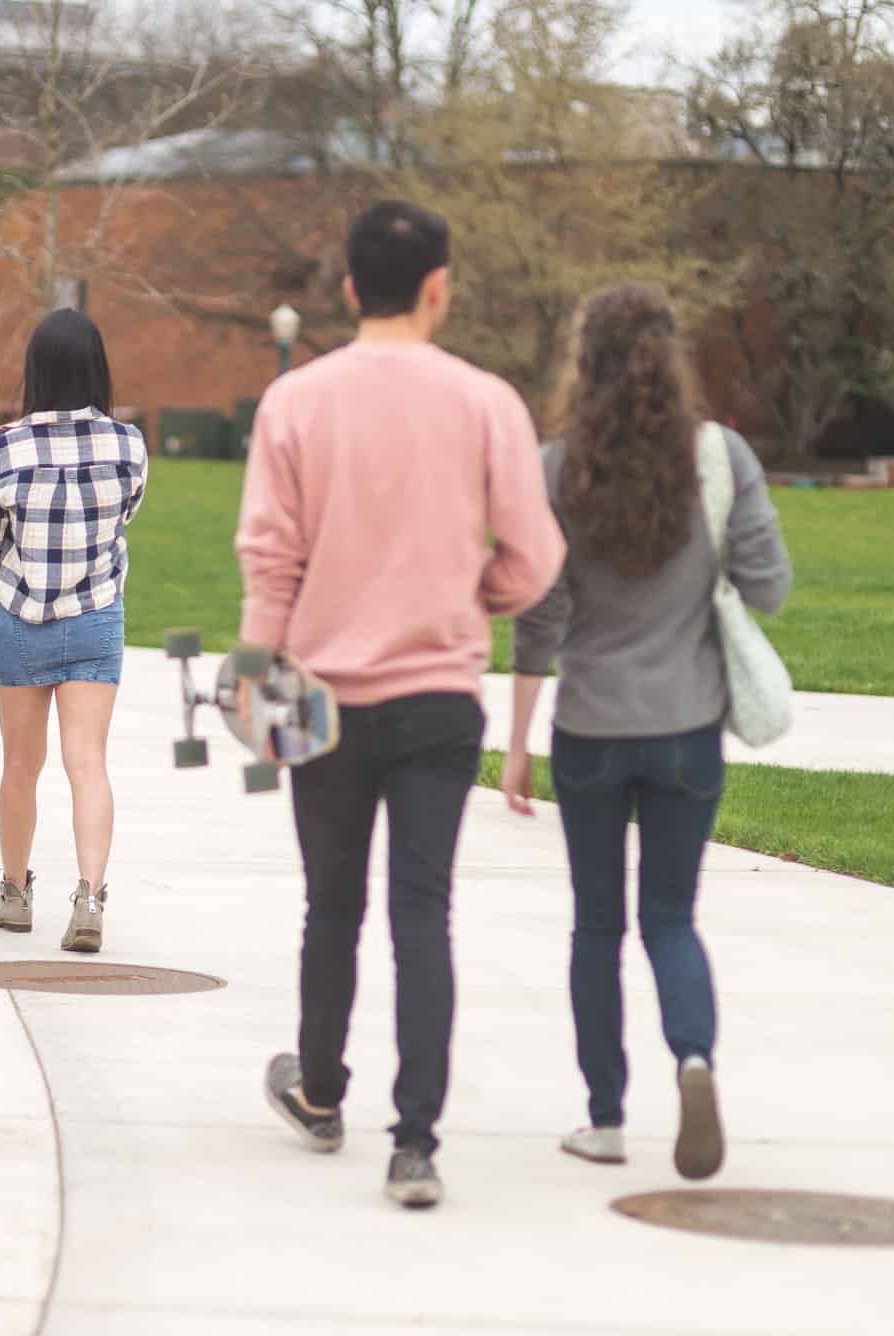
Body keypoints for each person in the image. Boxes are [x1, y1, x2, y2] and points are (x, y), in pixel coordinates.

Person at [237, 200, 565, 1209]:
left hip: (321, 693)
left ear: (344, 289)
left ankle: (322, 1092)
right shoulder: (485, 404)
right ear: (439, 287)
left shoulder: (294, 402)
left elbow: (269, 559)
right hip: (438, 694)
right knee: (422, 913)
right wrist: (480, 600)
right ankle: (414, 1140)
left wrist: (258, 680)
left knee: (328, 905)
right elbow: (535, 560)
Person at [504, 283, 792, 1181]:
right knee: (671, 917)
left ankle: (603, 1119)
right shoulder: (721, 458)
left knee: (596, 927)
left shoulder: (554, 466)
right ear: (669, 357)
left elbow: (539, 616)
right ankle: (694, 1058)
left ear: (581, 362)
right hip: (687, 728)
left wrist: (517, 741)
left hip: (590, 728)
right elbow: (769, 584)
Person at [0, 309, 146, 953]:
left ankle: (14, 894)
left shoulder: (4, 448)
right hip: (94, 616)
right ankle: (90, 899)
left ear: (34, 370)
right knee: (88, 763)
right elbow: (125, 517)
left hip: (19, 618)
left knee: (20, 764)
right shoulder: (129, 444)